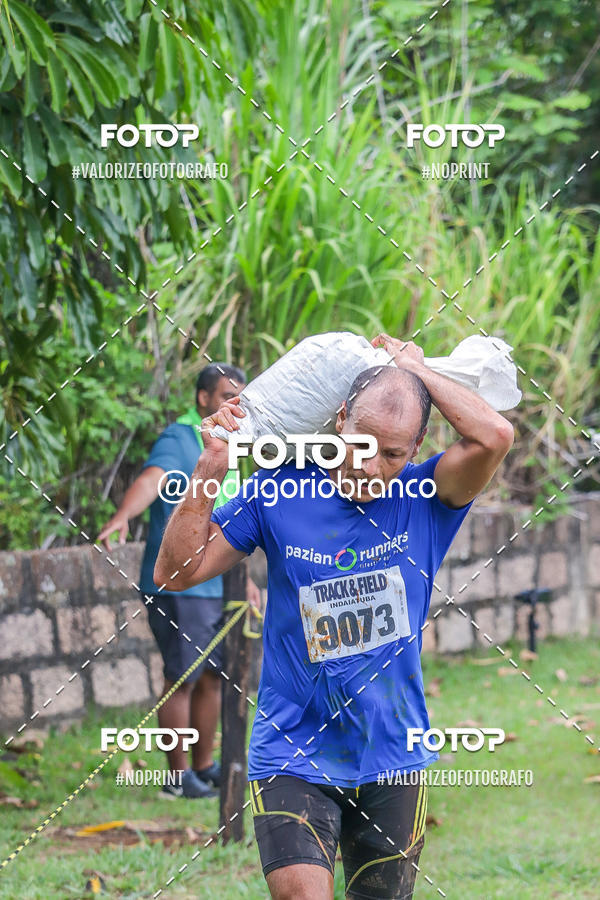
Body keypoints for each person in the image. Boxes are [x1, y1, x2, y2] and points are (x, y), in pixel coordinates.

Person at [154, 336, 514, 896]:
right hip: (291, 751)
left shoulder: (427, 495)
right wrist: (210, 467)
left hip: (392, 755)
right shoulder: (278, 488)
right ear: (340, 420)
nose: (371, 466)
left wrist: (412, 369)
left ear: (419, 446)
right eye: (362, 444)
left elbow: (495, 434)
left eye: (393, 454)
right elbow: (175, 573)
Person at [98, 362, 261, 799]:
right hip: (177, 583)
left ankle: (204, 767)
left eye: (240, 396)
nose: (234, 403)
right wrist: (122, 516)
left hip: (218, 582)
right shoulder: (182, 437)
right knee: (183, 675)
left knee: (213, 676)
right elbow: (154, 480)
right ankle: (175, 777)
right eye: (226, 395)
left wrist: (241, 579)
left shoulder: (236, 444)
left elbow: (233, 524)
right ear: (203, 398)